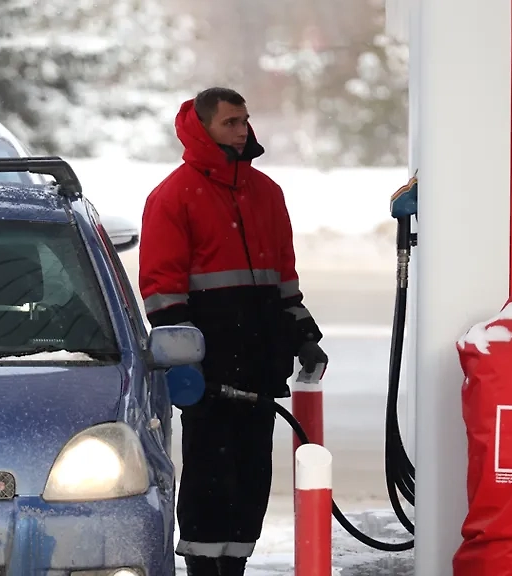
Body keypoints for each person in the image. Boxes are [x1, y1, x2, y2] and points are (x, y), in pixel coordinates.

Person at [138, 88, 329, 576]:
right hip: (210, 372)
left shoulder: (267, 194)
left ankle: (236, 566)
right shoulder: (172, 197)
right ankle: (205, 569)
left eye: (245, 120)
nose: (243, 130)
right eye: (230, 122)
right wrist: (184, 360)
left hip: (262, 367)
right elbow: (162, 290)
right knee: (209, 478)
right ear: (204, 129)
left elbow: (284, 278)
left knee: (250, 479)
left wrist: (303, 334)